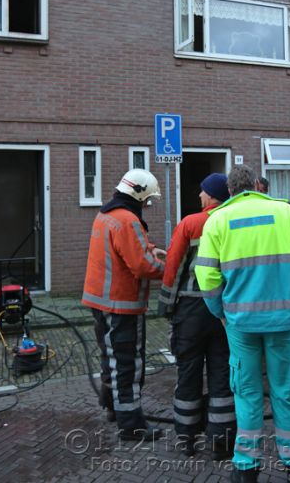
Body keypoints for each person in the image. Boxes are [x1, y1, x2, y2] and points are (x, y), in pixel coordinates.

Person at [195, 165, 290, 483]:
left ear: (231, 191)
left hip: (240, 322)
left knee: (246, 393)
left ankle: (247, 467)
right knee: (286, 392)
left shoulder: (217, 220)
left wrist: (220, 311)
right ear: (256, 186)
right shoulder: (286, 213)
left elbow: (206, 276)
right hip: (284, 320)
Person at [82, 168, 166, 441]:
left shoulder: (105, 215)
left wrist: (150, 248)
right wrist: (170, 267)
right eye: (147, 199)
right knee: (129, 364)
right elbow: (142, 266)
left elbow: (125, 249)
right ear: (138, 194)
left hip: (101, 302)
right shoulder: (128, 220)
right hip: (121, 306)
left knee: (112, 359)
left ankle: (112, 407)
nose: (146, 204)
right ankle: (131, 425)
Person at [157, 173, 236, 458]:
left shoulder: (191, 223)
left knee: (188, 372)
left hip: (191, 310)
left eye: (203, 191)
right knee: (222, 374)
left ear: (211, 195)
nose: (200, 196)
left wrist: (165, 305)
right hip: (225, 312)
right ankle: (222, 442)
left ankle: (187, 439)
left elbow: (173, 268)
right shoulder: (234, 221)